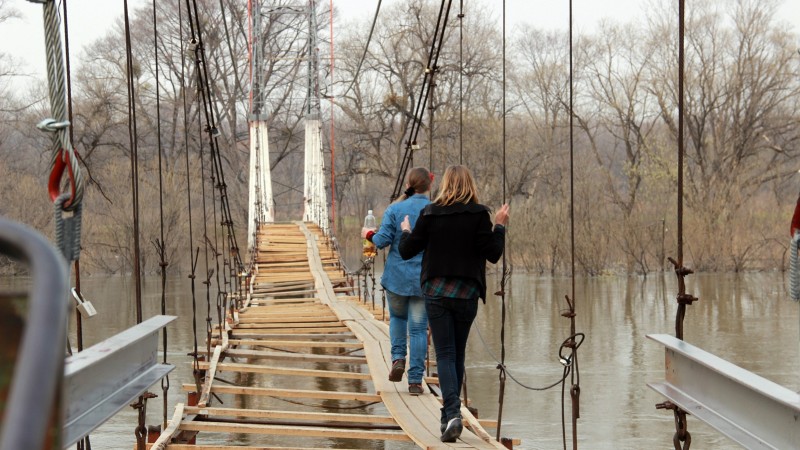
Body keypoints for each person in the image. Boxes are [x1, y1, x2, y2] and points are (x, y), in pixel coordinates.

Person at [398, 165, 509, 442]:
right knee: (457, 354)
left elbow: (406, 250)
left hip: (437, 292)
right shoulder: (479, 215)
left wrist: (405, 231)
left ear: (445, 185)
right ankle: (448, 417)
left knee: (445, 354)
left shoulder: (430, 214)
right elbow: (494, 254)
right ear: (470, 184)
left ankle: (452, 414)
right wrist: (500, 225)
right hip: (467, 293)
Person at [363, 167, 432, 395]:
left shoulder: (395, 209)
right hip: (423, 278)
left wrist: (367, 234)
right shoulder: (435, 210)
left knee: (398, 319)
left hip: (397, 279)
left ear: (408, 185)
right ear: (429, 185)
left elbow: (381, 241)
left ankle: (397, 359)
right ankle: (415, 381)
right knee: (419, 329)